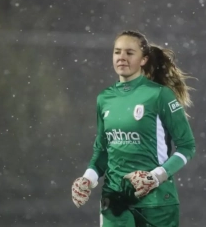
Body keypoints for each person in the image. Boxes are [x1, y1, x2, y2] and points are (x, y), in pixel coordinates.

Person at [71, 30, 196, 227]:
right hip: (115, 202)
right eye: (117, 52)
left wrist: (154, 177)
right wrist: (87, 179)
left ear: (144, 59)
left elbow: (187, 146)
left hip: (156, 203)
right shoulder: (104, 99)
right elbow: (102, 150)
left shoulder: (160, 95)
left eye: (129, 53)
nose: (121, 57)